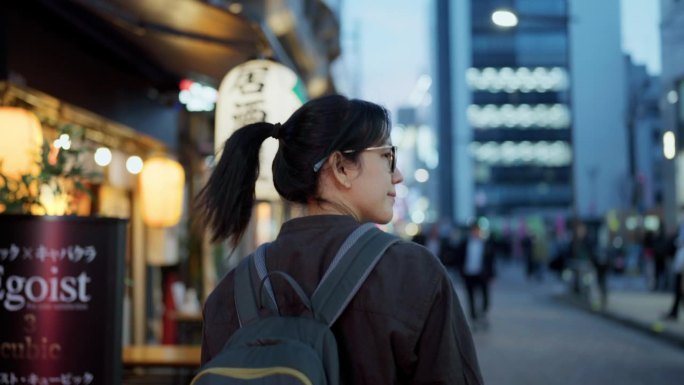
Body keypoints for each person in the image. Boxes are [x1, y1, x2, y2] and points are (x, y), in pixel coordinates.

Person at [195, 95, 483, 384]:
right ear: (341, 167)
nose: (397, 175)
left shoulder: (230, 292)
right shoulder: (413, 273)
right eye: (387, 156)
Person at [457, 221, 496, 329]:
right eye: (474, 230)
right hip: (469, 274)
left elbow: (490, 261)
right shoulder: (464, 243)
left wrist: (492, 275)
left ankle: (483, 314)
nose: (475, 232)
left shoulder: (485, 244)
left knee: (484, 296)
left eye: (477, 230)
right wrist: (461, 271)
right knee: (470, 297)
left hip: (482, 274)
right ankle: (473, 318)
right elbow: (459, 258)